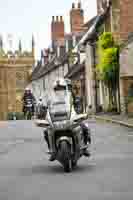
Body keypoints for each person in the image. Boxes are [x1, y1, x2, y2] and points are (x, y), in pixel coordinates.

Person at [43, 79, 91, 161]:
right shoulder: (51, 98)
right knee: (46, 131)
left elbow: (77, 102)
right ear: (54, 89)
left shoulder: (70, 95)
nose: (59, 89)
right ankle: (52, 150)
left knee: (84, 126)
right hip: (57, 117)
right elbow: (47, 105)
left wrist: (78, 109)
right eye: (57, 88)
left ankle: (84, 147)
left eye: (61, 88)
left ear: (65, 88)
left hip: (70, 115)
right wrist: (44, 108)